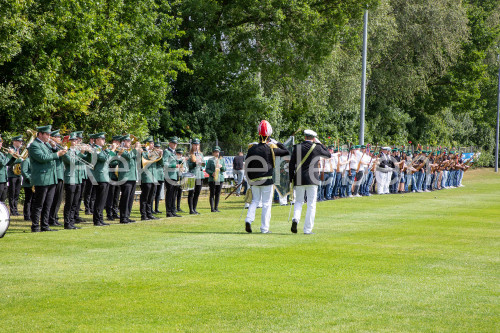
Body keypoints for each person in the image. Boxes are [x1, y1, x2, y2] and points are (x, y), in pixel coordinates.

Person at [244, 120, 289, 233]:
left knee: (254, 201)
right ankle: (264, 228)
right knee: (266, 204)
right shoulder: (271, 148)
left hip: (254, 180)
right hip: (267, 180)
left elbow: (248, 164)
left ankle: (249, 219)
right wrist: (277, 142)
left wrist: (249, 179)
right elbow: (286, 151)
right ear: (268, 136)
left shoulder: (251, 148)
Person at [289, 129, 331, 235]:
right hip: (312, 179)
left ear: (304, 137)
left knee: (299, 202)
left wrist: (290, 178)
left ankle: (295, 219)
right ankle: (307, 229)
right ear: (313, 138)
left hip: (299, 178)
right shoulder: (317, 147)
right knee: (311, 204)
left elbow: (291, 164)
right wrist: (320, 143)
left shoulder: (297, 147)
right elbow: (328, 155)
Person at [28, 125, 67, 232]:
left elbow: (52, 154)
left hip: (51, 177)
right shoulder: (34, 145)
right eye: (47, 134)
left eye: (50, 134)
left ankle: (45, 225)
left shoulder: (46, 145)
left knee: (48, 203)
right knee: (39, 204)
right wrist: (58, 154)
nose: (49, 136)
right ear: (40, 134)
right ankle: (35, 226)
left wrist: (55, 148)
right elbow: (42, 158)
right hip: (42, 178)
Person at [87, 132, 117, 226]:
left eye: (104, 139)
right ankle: (97, 220)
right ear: (97, 140)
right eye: (102, 139)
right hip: (100, 177)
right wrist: (112, 150)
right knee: (99, 199)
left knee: (102, 200)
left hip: (105, 176)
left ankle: (100, 218)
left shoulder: (101, 149)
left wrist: (109, 150)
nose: (104, 140)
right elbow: (105, 159)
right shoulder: (96, 149)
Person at [62, 132, 89, 229]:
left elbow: (87, 160)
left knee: (75, 202)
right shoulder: (66, 152)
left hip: (78, 178)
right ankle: (67, 222)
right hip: (70, 178)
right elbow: (72, 162)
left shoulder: (77, 152)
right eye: (72, 140)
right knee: (69, 202)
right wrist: (82, 153)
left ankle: (72, 221)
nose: (75, 142)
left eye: (75, 140)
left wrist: (89, 152)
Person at [117, 134, 140, 223]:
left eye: (130, 141)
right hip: (125, 177)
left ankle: (127, 215)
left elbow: (136, 160)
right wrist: (136, 149)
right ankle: (123, 217)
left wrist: (137, 151)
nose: (130, 143)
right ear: (123, 142)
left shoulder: (130, 150)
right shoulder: (121, 150)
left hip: (132, 176)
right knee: (125, 198)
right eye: (128, 141)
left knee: (130, 198)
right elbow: (129, 156)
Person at [139, 136, 160, 221]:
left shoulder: (153, 152)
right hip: (146, 176)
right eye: (151, 143)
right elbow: (144, 160)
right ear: (147, 144)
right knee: (145, 196)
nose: (152, 145)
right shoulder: (143, 152)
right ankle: (143, 214)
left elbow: (160, 163)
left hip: (154, 176)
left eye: (153, 143)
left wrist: (160, 155)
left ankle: (149, 213)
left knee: (151, 196)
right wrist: (152, 153)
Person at [48, 130, 64, 227]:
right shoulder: (51, 148)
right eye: (58, 137)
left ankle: (54, 217)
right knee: (54, 199)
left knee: (58, 199)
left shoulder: (58, 147)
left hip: (60, 174)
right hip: (56, 174)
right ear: (53, 138)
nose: (60, 139)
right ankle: (51, 218)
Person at [163, 136, 182, 217]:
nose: (175, 145)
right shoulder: (167, 151)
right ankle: (169, 211)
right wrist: (174, 165)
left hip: (175, 175)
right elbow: (164, 163)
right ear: (169, 143)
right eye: (173, 143)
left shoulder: (174, 152)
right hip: (169, 175)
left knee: (174, 194)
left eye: (176, 144)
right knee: (170, 194)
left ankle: (173, 210)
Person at [106, 135, 122, 220]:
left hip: (118, 176)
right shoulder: (109, 150)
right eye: (116, 142)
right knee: (110, 195)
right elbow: (111, 161)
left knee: (116, 196)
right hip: (111, 175)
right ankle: (109, 213)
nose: (117, 144)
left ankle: (115, 212)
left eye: (118, 142)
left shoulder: (118, 151)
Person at [187, 138, 205, 215]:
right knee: (191, 193)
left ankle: (194, 208)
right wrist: (195, 163)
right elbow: (189, 165)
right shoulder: (190, 154)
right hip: (192, 175)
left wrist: (202, 162)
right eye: (195, 145)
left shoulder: (201, 154)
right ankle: (191, 209)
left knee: (197, 192)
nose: (196, 146)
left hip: (199, 175)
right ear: (192, 145)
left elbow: (203, 165)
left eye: (197, 145)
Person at [7, 135, 23, 215]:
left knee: (17, 193)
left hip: (18, 174)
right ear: (14, 141)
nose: (21, 143)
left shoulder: (19, 150)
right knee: (12, 193)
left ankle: (16, 209)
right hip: (11, 174)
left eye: (21, 141)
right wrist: (19, 160)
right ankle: (12, 210)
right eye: (19, 141)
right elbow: (9, 162)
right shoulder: (10, 149)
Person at [206, 146, 226, 212]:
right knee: (212, 193)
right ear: (213, 153)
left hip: (220, 178)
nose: (216, 153)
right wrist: (212, 173)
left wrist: (222, 166)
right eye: (215, 152)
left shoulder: (222, 159)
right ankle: (212, 208)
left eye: (217, 152)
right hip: (212, 179)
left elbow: (224, 169)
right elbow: (207, 169)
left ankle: (216, 208)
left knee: (218, 193)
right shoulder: (210, 160)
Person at [153, 140, 164, 214]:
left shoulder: (159, 155)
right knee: (153, 193)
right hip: (154, 175)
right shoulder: (151, 154)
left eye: (159, 147)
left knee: (158, 193)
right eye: (156, 147)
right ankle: (150, 209)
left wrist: (161, 155)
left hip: (160, 175)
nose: (158, 148)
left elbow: (162, 164)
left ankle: (156, 208)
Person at [20, 153, 33, 221]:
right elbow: (24, 172)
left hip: (34, 183)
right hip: (28, 183)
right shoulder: (26, 160)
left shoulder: (33, 160)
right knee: (28, 200)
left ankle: (32, 214)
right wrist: (30, 180)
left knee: (33, 200)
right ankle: (27, 215)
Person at [175, 148, 186, 213]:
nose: (180, 155)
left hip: (181, 177)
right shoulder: (175, 160)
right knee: (175, 193)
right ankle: (173, 207)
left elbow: (186, 168)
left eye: (181, 154)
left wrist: (184, 169)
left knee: (180, 193)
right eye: (179, 154)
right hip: (176, 177)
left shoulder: (183, 161)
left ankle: (178, 207)